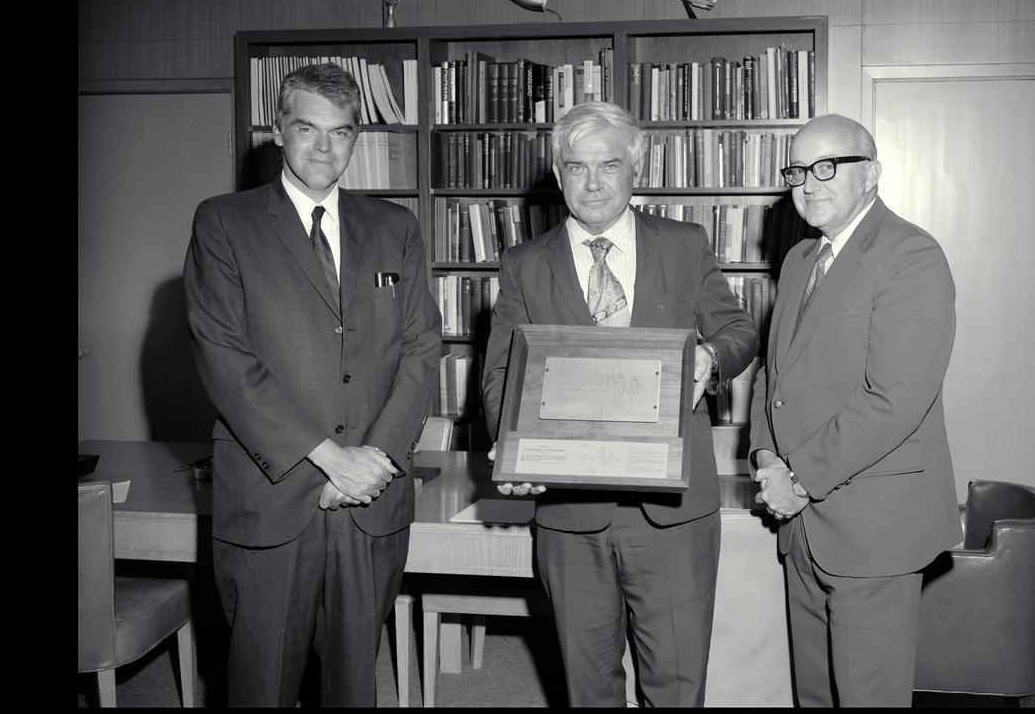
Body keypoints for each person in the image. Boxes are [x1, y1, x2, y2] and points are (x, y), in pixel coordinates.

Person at [481, 101, 759, 706]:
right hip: (569, 513)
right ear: (558, 175)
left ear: (636, 167)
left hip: (673, 512)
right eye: (577, 167)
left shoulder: (685, 245)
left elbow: (740, 331)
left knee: (677, 683)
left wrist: (710, 359)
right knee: (588, 686)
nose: (594, 182)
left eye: (610, 165)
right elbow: (502, 371)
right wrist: (512, 450)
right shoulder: (524, 265)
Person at [184, 62, 442, 706]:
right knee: (261, 685)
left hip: (370, 503)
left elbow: (420, 351)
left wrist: (372, 462)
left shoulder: (394, 229)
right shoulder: (224, 224)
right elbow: (224, 357)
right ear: (278, 130)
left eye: (342, 133)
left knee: (355, 687)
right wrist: (328, 460)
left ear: (357, 139)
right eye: (308, 129)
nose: (325, 148)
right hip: (272, 500)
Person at [749, 113, 961, 707]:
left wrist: (797, 478)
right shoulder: (799, 261)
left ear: (870, 173)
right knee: (814, 693)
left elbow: (895, 399)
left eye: (826, 167)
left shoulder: (911, 255)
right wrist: (765, 455)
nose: (808, 184)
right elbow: (774, 372)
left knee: (868, 697)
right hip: (799, 519)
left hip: (874, 524)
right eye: (797, 170)